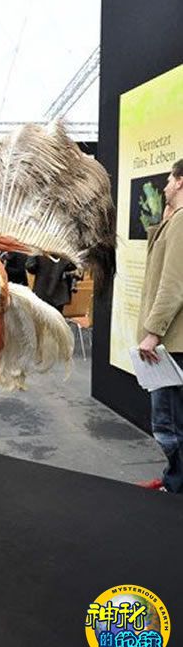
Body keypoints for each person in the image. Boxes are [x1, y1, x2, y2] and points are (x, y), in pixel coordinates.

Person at [137, 159, 183, 493]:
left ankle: (175, 487)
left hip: (172, 342)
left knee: (169, 424)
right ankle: (174, 480)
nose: (165, 186)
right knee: (172, 420)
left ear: (180, 182)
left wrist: (153, 333)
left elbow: (173, 284)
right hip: (173, 341)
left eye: (169, 179)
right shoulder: (175, 221)